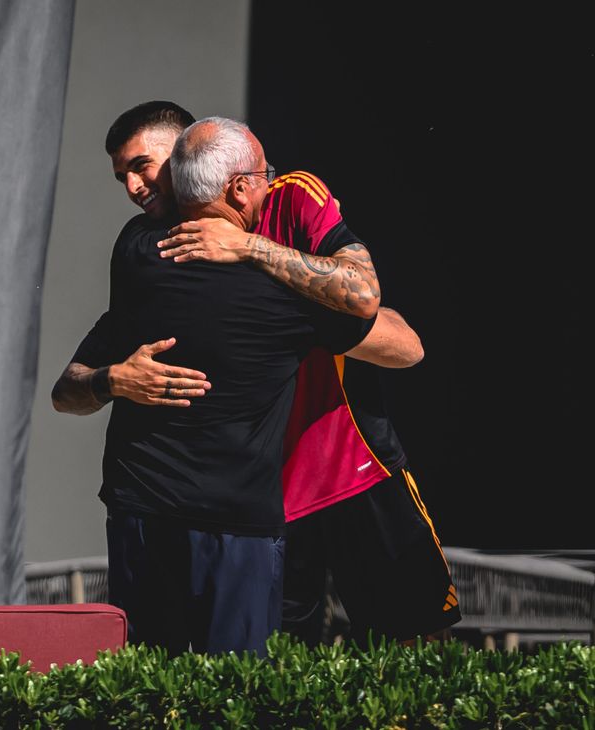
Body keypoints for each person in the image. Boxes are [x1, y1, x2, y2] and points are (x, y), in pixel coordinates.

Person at [53, 101, 459, 650]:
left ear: (188, 159)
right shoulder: (149, 252)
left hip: (349, 457)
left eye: (141, 166)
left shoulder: (288, 194)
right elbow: (71, 383)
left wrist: (253, 251)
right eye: (120, 174)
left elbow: (402, 342)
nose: (131, 185)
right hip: (268, 487)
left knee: (412, 640)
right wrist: (113, 380)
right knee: (279, 665)